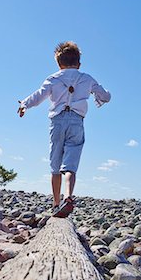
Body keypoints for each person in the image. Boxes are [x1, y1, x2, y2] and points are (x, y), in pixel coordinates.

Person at [18, 41, 111, 217]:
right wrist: (102, 95)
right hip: (76, 121)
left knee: (55, 164)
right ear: (79, 63)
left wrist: (24, 104)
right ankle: (68, 197)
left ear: (59, 64)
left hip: (57, 122)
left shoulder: (53, 78)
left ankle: (55, 203)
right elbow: (104, 96)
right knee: (70, 164)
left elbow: (39, 96)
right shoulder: (87, 78)